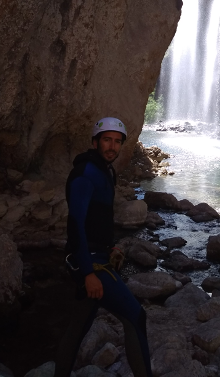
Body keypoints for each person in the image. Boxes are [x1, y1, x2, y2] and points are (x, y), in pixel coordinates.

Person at [55, 117, 152, 377]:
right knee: (135, 317)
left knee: (79, 326)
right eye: (106, 140)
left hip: (97, 255)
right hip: (89, 262)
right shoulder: (87, 173)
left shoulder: (104, 170)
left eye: (117, 141)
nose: (112, 146)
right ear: (95, 142)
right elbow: (75, 223)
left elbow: (95, 220)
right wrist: (88, 272)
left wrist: (110, 248)